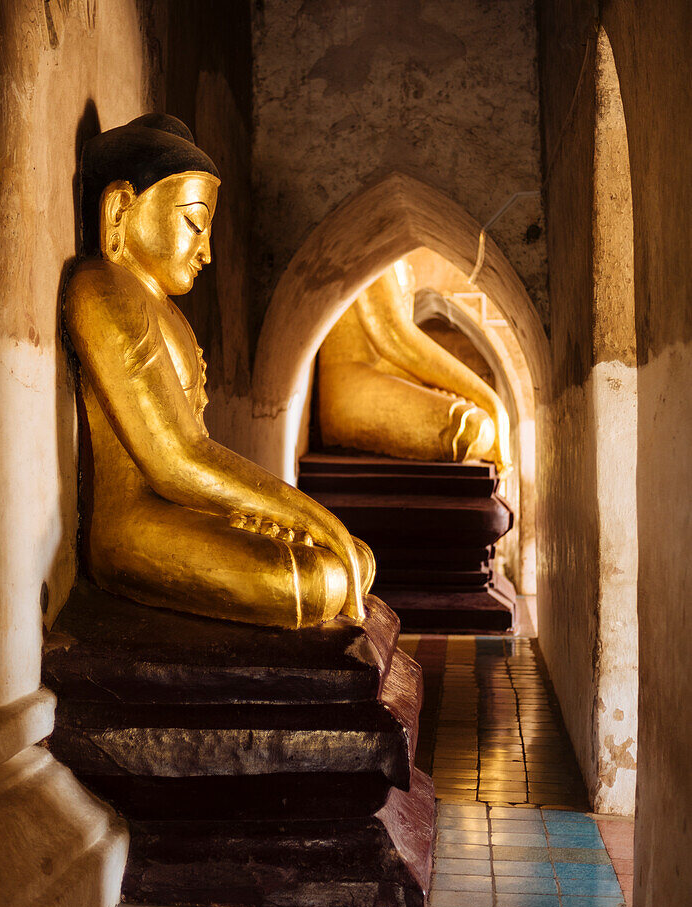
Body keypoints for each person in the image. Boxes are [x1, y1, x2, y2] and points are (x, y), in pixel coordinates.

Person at [65, 114, 373, 629]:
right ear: (121, 209)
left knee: (353, 561)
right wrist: (311, 517)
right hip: (135, 525)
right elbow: (174, 459)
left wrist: (280, 516)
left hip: (186, 509)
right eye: (193, 222)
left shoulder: (164, 309)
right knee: (308, 581)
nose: (206, 251)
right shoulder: (102, 290)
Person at [318, 262, 512, 477]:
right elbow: (395, 340)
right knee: (474, 430)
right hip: (349, 388)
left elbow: (392, 355)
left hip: (382, 374)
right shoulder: (370, 239)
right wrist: (493, 403)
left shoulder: (401, 259)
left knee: (473, 418)